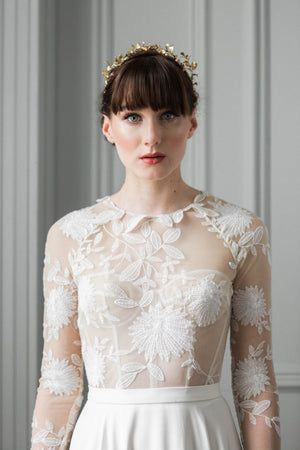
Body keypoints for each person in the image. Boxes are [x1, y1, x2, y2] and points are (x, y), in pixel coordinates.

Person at [31, 43, 281, 449]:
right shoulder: (70, 235)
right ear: (108, 128)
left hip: (202, 435)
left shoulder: (240, 230)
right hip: (105, 437)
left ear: (191, 124)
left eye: (168, 115)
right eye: (133, 116)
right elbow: (59, 382)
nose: (152, 136)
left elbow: (255, 379)